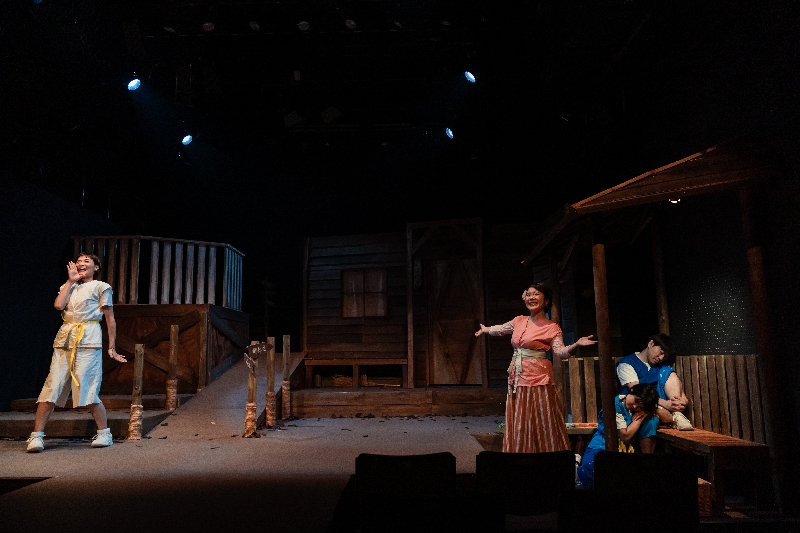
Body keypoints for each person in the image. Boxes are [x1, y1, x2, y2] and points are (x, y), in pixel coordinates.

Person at [475, 283, 598, 453]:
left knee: (541, 417)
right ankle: (519, 453)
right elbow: (501, 329)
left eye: (536, 294)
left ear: (546, 300)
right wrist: (486, 329)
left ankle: (546, 455)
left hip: (539, 379)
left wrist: (575, 345)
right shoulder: (519, 320)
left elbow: (561, 352)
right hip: (518, 378)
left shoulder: (551, 327)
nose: (531, 297)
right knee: (520, 417)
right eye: (529, 294)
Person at [26, 253, 127, 453]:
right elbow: (58, 305)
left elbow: (110, 319)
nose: (81, 264)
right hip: (65, 338)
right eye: (78, 261)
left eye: (86, 261)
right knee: (52, 385)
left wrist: (112, 347)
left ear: (96, 267)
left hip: (88, 338)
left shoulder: (101, 287)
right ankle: (36, 436)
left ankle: (104, 433)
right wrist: (70, 281)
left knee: (88, 386)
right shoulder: (69, 286)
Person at [616, 333, 693, 454]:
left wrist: (682, 401)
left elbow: (678, 390)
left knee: (667, 371)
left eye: (664, 356)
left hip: (662, 406)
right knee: (651, 421)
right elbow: (638, 391)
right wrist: (666, 404)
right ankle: (647, 459)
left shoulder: (662, 368)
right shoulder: (627, 364)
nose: (661, 358)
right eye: (661, 352)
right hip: (639, 404)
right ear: (651, 343)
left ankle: (677, 414)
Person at [575, 383, 660, 488]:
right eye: (636, 400)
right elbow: (625, 436)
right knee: (595, 472)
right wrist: (640, 419)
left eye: (640, 407)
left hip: (625, 450)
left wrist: (647, 412)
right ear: (631, 391)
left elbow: (668, 417)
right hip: (602, 444)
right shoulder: (614, 405)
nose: (635, 406)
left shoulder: (635, 410)